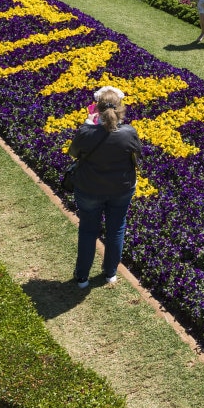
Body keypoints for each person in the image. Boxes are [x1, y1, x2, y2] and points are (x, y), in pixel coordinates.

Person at [69, 85, 142, 289]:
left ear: (96, 109)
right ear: (120, 109)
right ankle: (110, 273)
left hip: (89, 188)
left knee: (88, 231)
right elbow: (137, 154)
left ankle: (82, 278)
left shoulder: (86, 131)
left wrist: (87, 123)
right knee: (116, 229)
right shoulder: (129, 132)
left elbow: (74, 153)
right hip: (121, 189)